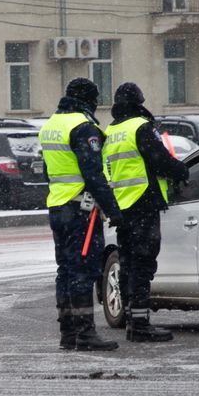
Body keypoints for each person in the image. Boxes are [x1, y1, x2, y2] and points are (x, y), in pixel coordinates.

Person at [39, 77, 122, 351]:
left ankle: (68, 333)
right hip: (80, 212)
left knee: (65, 270)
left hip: (58, 206)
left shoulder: (51, 125)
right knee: (83, 271)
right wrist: (113, 210)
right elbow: (94, 174)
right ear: (89, 99)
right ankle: (86, 334)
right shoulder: (82, 127)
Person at [103, 81, 190, 342]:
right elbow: (159, 160)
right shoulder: (141, 127)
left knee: (129, 264)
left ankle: (133, 318)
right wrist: (182, 171)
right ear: (139, 102)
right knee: (143, 264)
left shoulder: (111, 130)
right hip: (143, 202)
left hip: (123, 206)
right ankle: (140, 326)